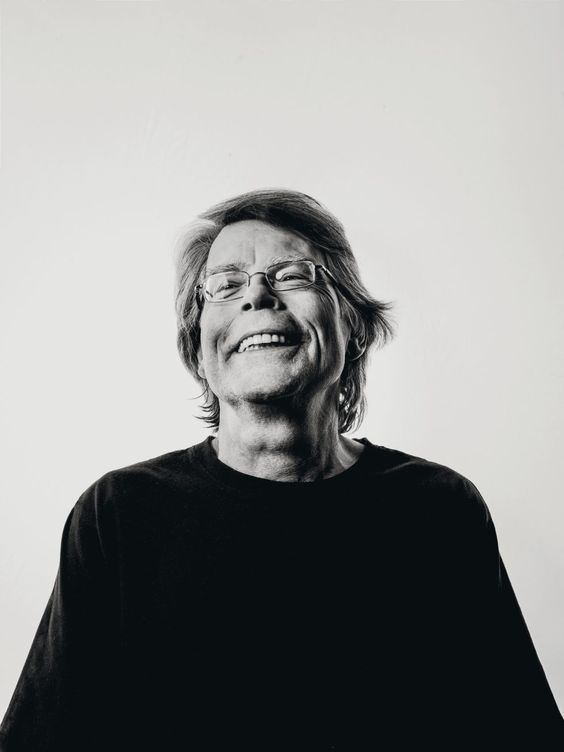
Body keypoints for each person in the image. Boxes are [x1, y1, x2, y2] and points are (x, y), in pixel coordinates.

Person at [1, 189, 562, 751]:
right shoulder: (118, 516)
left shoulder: (440, 510)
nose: (258, 295)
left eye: (293, 274)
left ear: (353, 327)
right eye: (225, 283)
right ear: (199, 350)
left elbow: (518, 734)